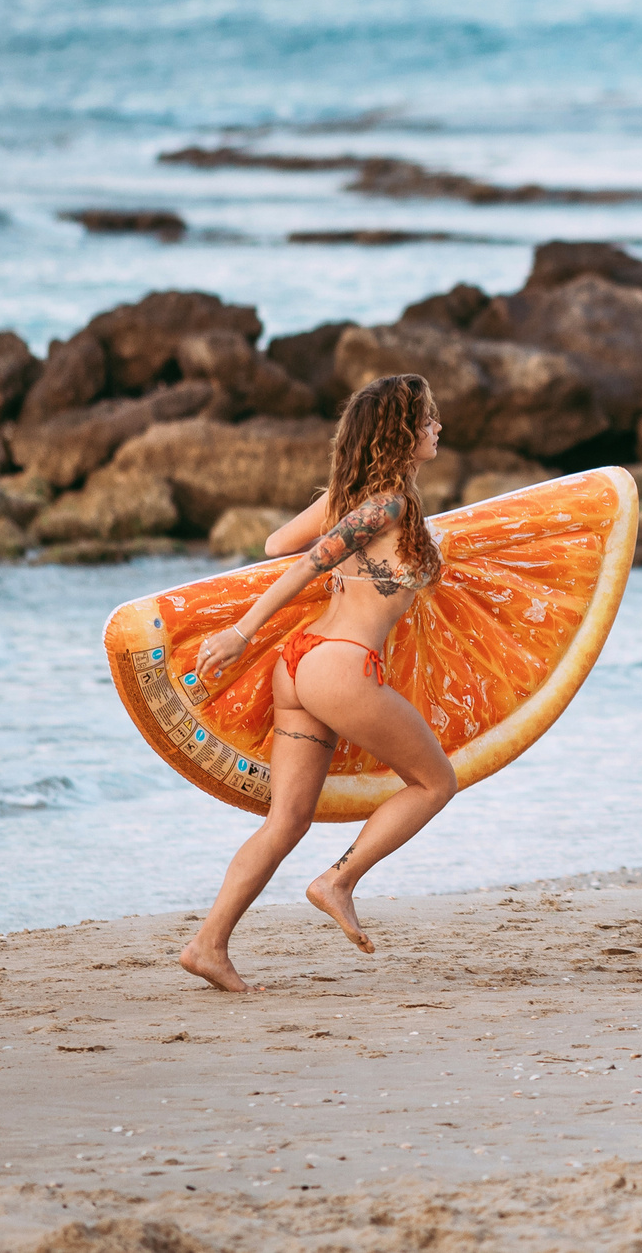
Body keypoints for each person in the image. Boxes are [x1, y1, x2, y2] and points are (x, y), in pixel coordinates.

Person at [176, 373, 456, 993]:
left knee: (287, 821)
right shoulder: (389, 506)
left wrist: (340, 502)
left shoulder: (361, 502)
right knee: (435, 782)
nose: (438, 428)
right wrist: (241, 632)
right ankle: (339, 880)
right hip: (342, 666)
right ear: (401, 434)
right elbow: (306, 560)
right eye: (429, 419)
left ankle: (208, 945)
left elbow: (278, 539)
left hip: (300, 666)